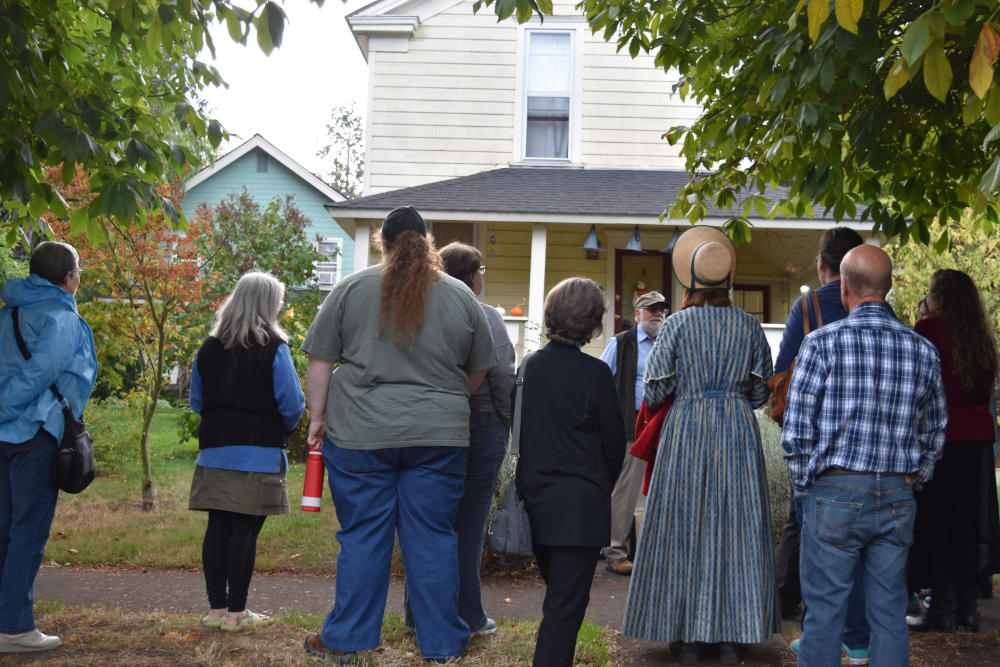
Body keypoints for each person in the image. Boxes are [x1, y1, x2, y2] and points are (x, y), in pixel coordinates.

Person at [300, 206, 496, 663]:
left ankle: (346, 640)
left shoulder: (350, 288)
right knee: (433, 536)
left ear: (382, 243)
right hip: (439, 437)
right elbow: (481, 365)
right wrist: (449, 397)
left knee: (364, 534)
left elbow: (320, 360)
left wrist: (317, 417)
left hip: (360, 435)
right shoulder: (461, 296)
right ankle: (443, 645)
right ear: (428, 242)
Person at [781, 245, 947, 667]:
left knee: (823, 614)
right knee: (890, 612)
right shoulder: (923, 350)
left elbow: (797, 432)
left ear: (845, 290)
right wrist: (914, 480)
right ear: (888, 289)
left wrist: (807, 489)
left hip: (833, 490)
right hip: (896, 493)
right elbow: (935, 430)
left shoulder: (820, 344)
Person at [622, 226, 779, 666]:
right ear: (728, 279)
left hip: (687, 428)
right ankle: (731, 636)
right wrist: (729, 396)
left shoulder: (676, 325)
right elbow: (759, 393)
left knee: (682, 526)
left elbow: (653, 393)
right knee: (735, 527)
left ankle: (686, 637)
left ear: (690, 280)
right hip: (735, 430)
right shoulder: (749, 326)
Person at [403, 241, 515, 637]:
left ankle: (416, 613)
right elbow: (500, 372)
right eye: (481, 270)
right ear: (471, 275)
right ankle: (468, 615)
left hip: (427, 424)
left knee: (428, 521)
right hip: (479, 423)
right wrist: (504, 419)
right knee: (468, 524)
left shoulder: (421, 311)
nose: (483, 277)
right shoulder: (483, 314)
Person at [771, 228, 871, 665]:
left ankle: (817, 636)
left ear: (822, 264)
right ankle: (859, 636)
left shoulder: (808, 307)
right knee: (867, 550)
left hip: (819, 445)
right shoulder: (881, 312)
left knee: (817, 544)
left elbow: (779, 374)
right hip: (871, 446)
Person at [516, 277, 624, 667]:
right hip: (581, 505)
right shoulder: (595, 375)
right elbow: (615, 447)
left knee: (559, 599)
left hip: (536, 500)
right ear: (593, 322)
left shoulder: (527, 367)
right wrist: (599, 486)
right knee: (564, 609)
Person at [188, 272, 304, 631]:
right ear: (268, 304)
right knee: (246, 530)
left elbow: (196, 402)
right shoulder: (274, 346)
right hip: (259, 453)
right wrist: (284, 427)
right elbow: (292, 403)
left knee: (218, 527)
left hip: (215, 451)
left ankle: (216, 611)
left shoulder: (208, 348)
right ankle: (237, 613)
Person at [0, 241, 97, 653]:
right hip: (35, 432)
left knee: (5, 529)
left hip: (5, 434)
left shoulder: (10, 312)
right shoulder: (62, 318)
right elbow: (41, 374)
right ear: (68, 277)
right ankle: (15, 628)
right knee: (28, 531)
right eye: (78, 272)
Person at [907, 269, 1000, 632]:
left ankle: (943, 609)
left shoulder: (929, 329)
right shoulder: (982, 337)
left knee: (939, 523)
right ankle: (968, 608)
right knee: (969, 525)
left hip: (943, 438)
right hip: (978, 441)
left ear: (938, 297)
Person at [598, 290, 668, 575]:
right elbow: (600, 380)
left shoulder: (669, 342)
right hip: (632, 424)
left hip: (664, 424)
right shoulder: (620, 343)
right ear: (638, 314)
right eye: (651, 309)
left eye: (662, 309)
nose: (658, 314)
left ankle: (654, 550)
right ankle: (614, 551)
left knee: (660, 489)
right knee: (626, 490)